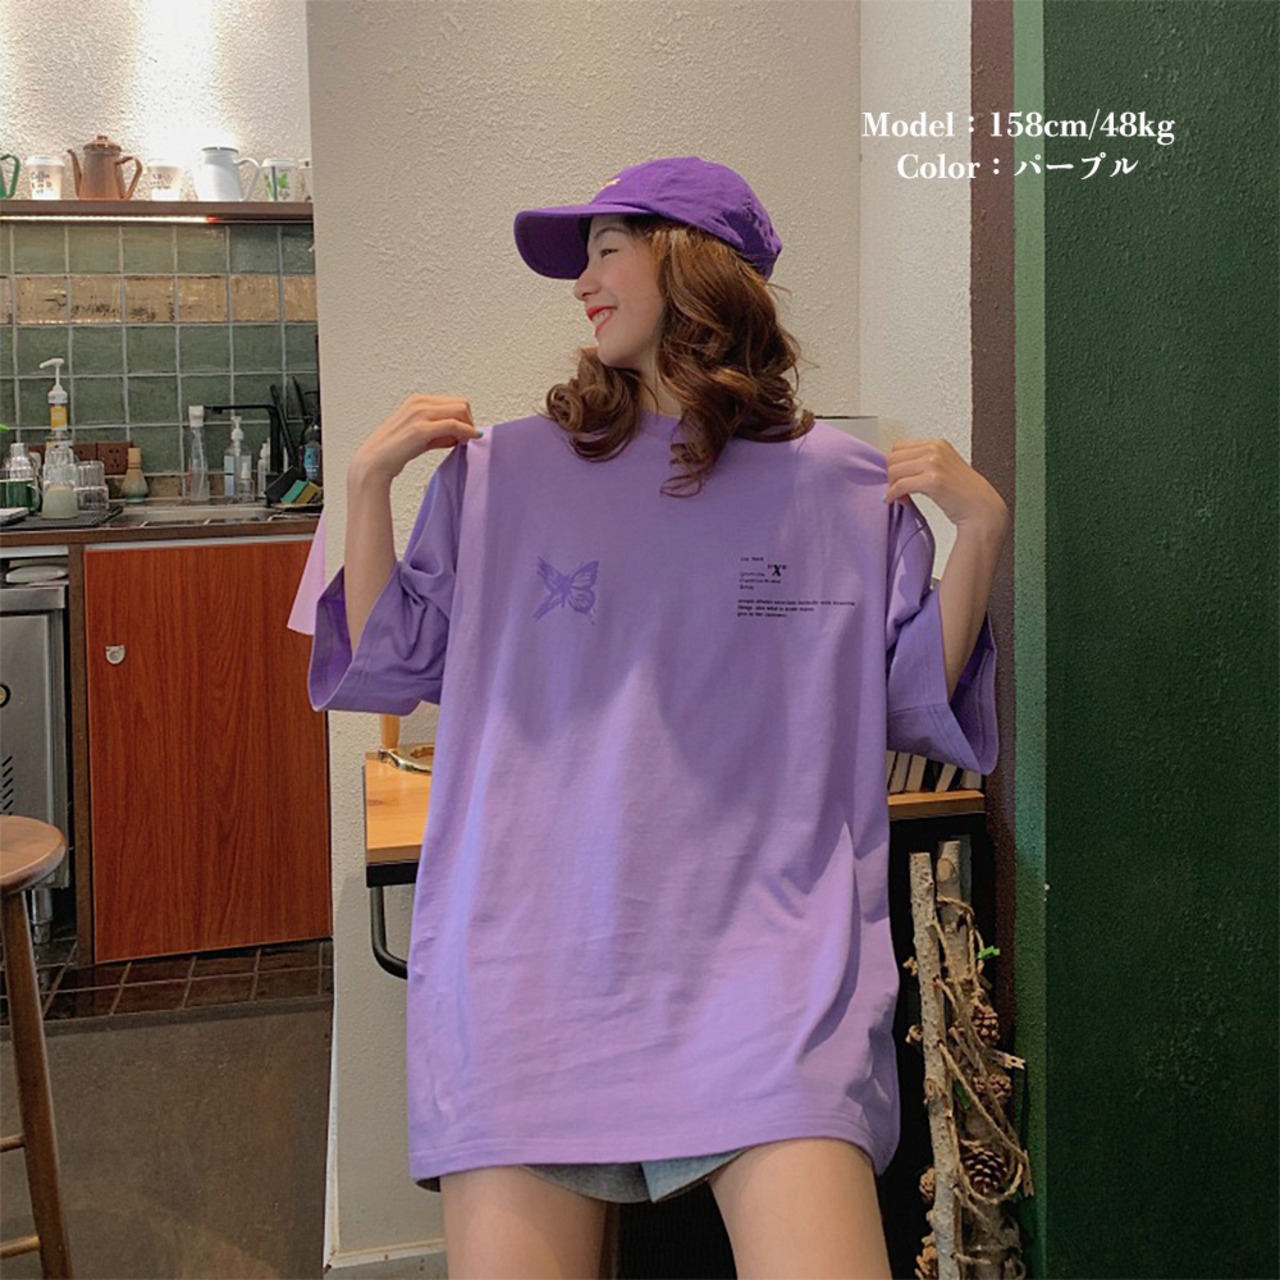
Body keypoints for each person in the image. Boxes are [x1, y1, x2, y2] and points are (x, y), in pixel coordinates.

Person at [306, 155, 1010, 1279]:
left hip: (771, 975)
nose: (582, 283)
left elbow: (907, 702)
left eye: (606, 250)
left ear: (691, 265)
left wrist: (977, 534)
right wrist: (363, 489)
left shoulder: (840, 486)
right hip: (530, 962)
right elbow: (391, 668)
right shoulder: (500, 475)